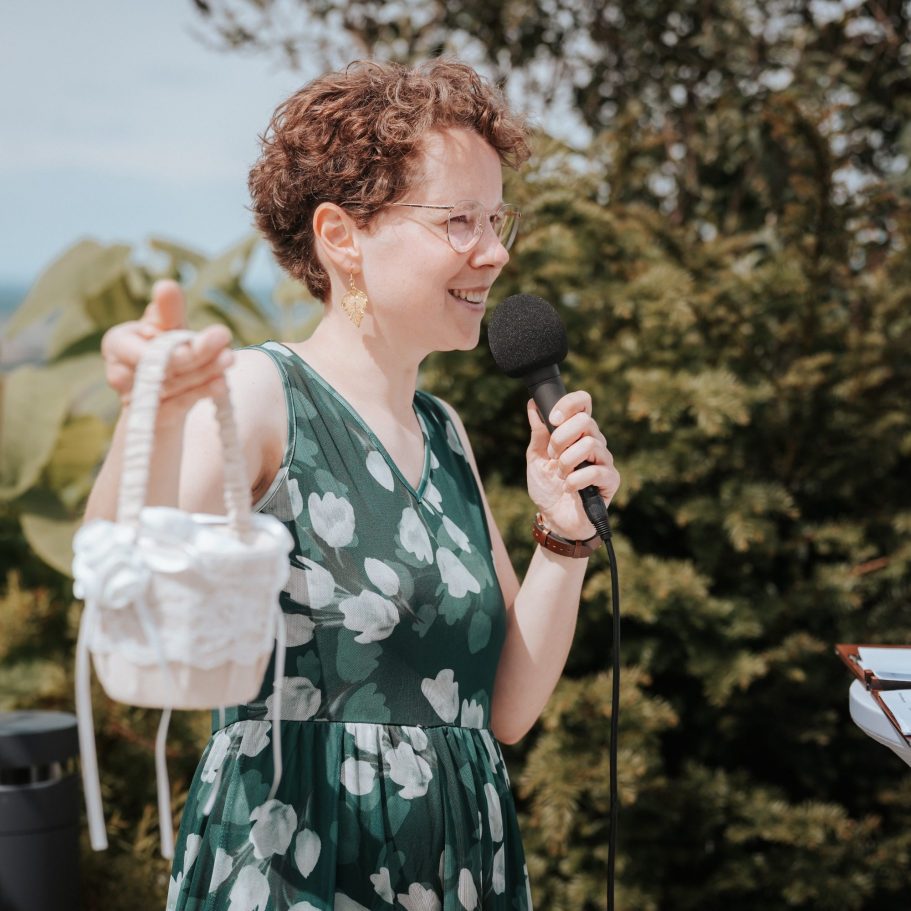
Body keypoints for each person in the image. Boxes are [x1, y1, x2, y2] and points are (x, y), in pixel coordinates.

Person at [84, 59, 620, 911]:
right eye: (458, 220)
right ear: (341, 236)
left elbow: (504, 710)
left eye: (495, 219)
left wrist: (563, 538)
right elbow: (125, 573)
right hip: (299, 867)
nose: (494, 251)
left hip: (461, 869)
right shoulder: (265, 394)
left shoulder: (443, 431)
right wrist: (142, 415)